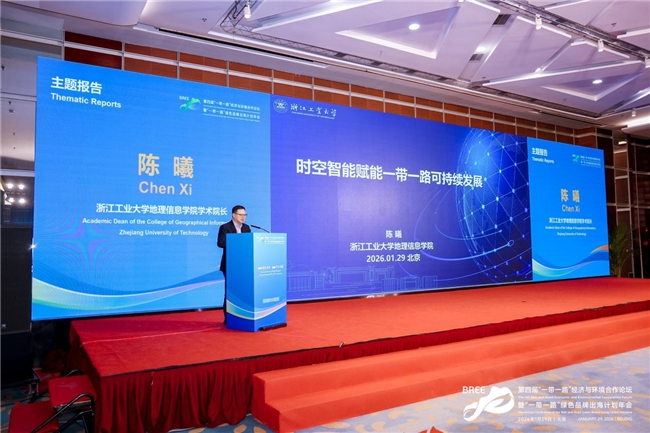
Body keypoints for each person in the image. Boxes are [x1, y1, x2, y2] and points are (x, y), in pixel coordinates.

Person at [217, 205, 251, 324]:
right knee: (230, 292)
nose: (243, 217)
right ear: (233, 215)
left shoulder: (246, 228)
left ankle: (242, 316)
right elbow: (220, 243)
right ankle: (228, 318)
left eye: (244, 215)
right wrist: (236, 241)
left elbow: (249, 244)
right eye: (240, 215)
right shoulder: (225, 227)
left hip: (244, 265)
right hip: (229, 265)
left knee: (242, 291)